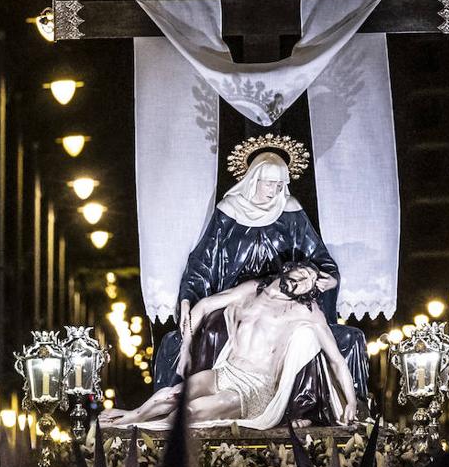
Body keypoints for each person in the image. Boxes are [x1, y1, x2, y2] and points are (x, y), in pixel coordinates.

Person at [150, 149, 368, 424]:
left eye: (279, 184)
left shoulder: (290, 211)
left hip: (285, 305)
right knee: (211, 334)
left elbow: (319, 258)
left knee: (313, 337)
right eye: (268, 183)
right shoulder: (229, 211)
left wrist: (329, 278)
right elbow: (203, 261)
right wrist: (188, 297)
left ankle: (302, 410)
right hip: (242, 300)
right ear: (253, 180)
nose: (274, 190)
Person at [108, 262, 358, 429]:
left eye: (311, 282)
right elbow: (205, 305)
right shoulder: (253, 290)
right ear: (289, 268)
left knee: (191, 410)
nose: (305, 282)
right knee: (173, 395)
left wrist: (352, 402)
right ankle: (130, 419)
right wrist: (185, 347)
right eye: (304, 273)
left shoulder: (306, 311)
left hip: (254, 390)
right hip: (226, 372)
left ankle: (156, 440)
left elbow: (336, 359)